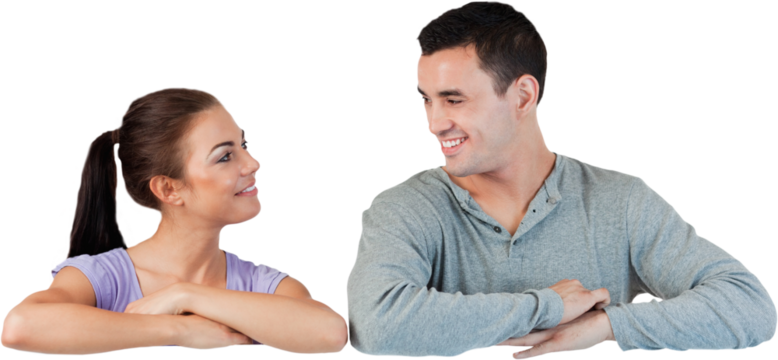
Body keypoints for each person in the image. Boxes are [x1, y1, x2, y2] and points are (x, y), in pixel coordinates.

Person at [345, 2, 777, 358]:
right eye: (427, 101)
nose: (435, 124)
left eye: (454, 100)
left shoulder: (619, 202)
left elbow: (749, 307)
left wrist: (604, 326)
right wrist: (546, 307)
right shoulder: (404, 207)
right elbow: (376, 325)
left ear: (523, 95)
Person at [1, 86, 348, 356]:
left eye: (244, 145)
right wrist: (177, 330)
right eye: (225, 156)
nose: (252, 164)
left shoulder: (261, 283)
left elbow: (329, 333)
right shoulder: (102, 279)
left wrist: (186, 296)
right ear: (169, 188)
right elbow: (20, 327)